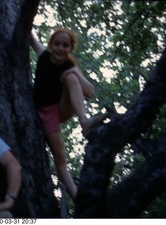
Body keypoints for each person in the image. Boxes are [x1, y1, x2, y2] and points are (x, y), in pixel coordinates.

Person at [30, 28, 109, 200]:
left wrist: (73, 73)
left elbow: (90, 91)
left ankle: (85, 122)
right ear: (50, 44)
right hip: (41, 112)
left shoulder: (69, 65)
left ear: (70, 49)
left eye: (65, 45)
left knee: (72, 78)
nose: (60, 48)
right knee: (60, 158)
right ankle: (76, 196)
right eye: (57, 44)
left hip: (59, 109)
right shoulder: (43, 56)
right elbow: (31, 38)